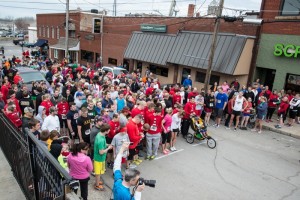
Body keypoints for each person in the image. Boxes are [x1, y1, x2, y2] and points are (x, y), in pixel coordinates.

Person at [93, 123, 112, 191]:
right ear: (106, 130)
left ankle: (97, 182)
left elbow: (103, 144)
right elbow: (101, 152)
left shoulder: (100, 134)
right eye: (109, 130)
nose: (109, 131)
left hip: (99, 158)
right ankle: (97, 185)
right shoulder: (100, 140)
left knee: (99, 172)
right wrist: (108, 148)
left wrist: (107, 145)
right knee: (98, 173)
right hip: (99, 159)